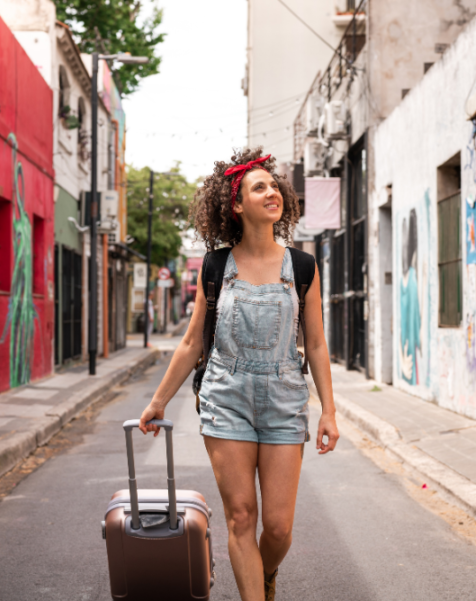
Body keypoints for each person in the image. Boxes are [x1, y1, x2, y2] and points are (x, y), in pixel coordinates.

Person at [138, 147, 339, 601]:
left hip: (286, 398)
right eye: (259, 187)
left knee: (279, 527)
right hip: (225, 396)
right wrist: (158, 400)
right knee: (241, 517)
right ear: (236, 203)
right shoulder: (215, 266)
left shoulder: (303, 267)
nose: (273, 192)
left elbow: (317, 343)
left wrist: (329, 410)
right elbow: (192, 343)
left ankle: (262, 575)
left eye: (275, 185)